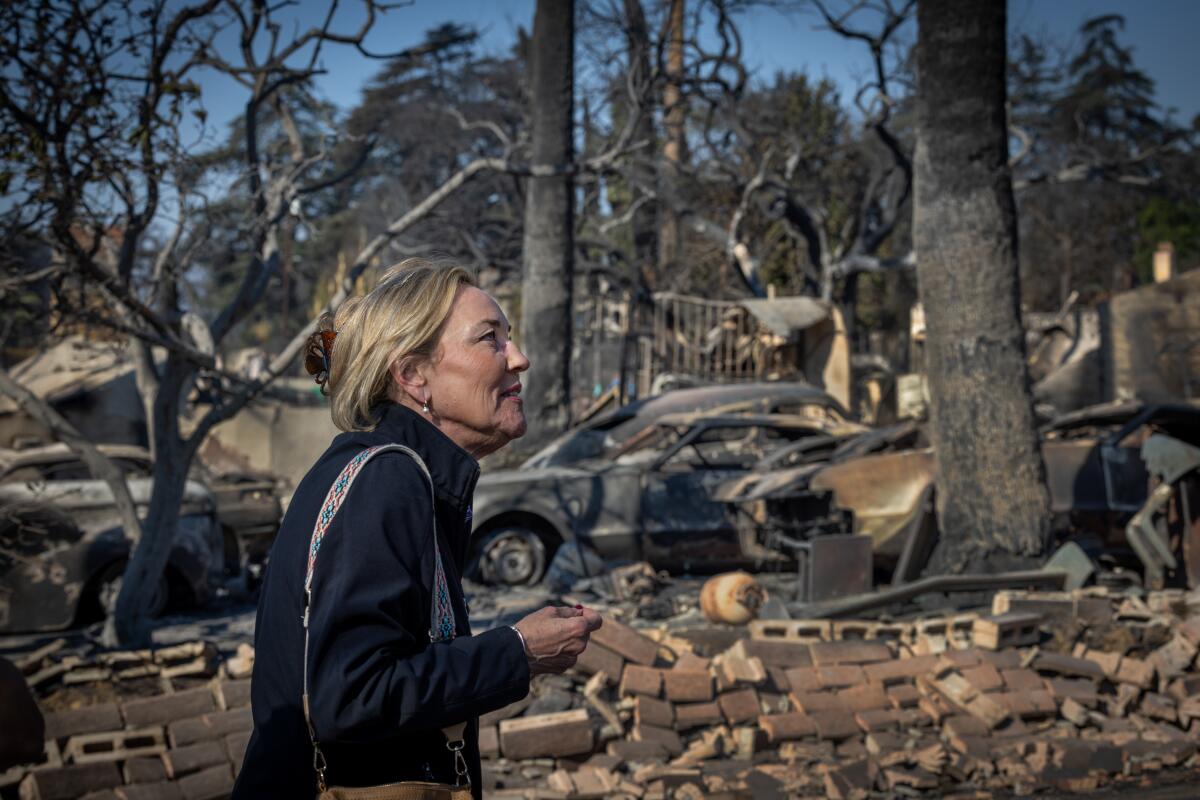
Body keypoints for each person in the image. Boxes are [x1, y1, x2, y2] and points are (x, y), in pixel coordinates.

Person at [233, 260, 602, 799]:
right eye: (490, 339)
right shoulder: (387, 480)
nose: (519, 358)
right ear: (413, 376)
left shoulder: (392, 473)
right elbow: (352, 695)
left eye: (510, 337)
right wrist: (517, 650)